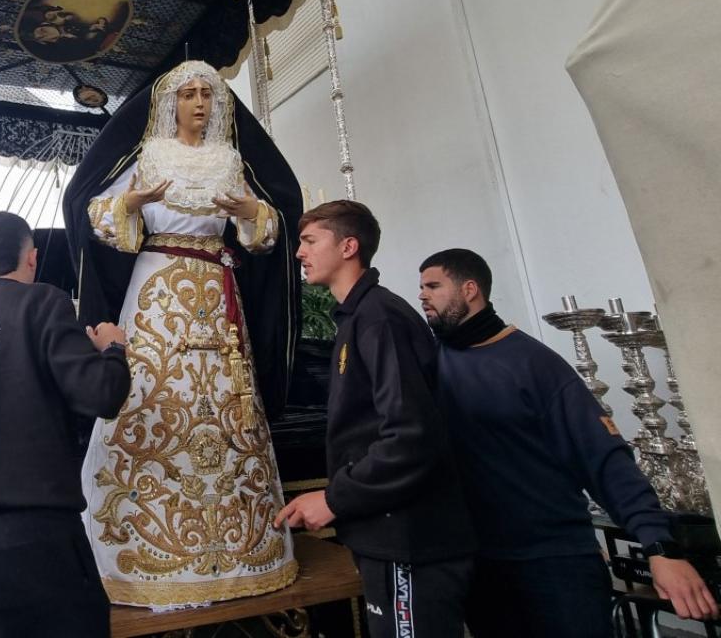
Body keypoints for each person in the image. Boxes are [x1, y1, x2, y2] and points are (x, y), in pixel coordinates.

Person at [64, 59, 303, 607]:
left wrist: (251, 213)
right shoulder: (149, 156)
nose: (199, 103)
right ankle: (132, 539)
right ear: (170, 103)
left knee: (225, 406)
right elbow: (96, 215)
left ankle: (241, 542)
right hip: (156, 292)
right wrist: (131, 203)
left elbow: (265, 234)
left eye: (207, 95)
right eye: (189, 94)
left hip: (219, 293)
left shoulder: (229, 160)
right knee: (153, 398)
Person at [417, 248, 719, 636]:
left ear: (470, 289)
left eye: (433, 286)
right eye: (421, 287)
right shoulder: (433, 362)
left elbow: (604, 458)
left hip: (554, 561)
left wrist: (659, 547)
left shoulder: (534, 363)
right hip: (480, 563)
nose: (422, 295)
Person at [0, 211, 131, 638]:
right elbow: (101, 395)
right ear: (33, 259)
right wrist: (112, 350)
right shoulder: (42, 303)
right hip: (32, 542)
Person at [277, 201, 475, 638]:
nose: (298, 252)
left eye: (310, 241)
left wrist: (333, 499)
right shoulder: (357, 317)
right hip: (388, 535)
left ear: (349, 246)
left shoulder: (379, 318)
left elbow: (409, 436)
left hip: (411, 540)